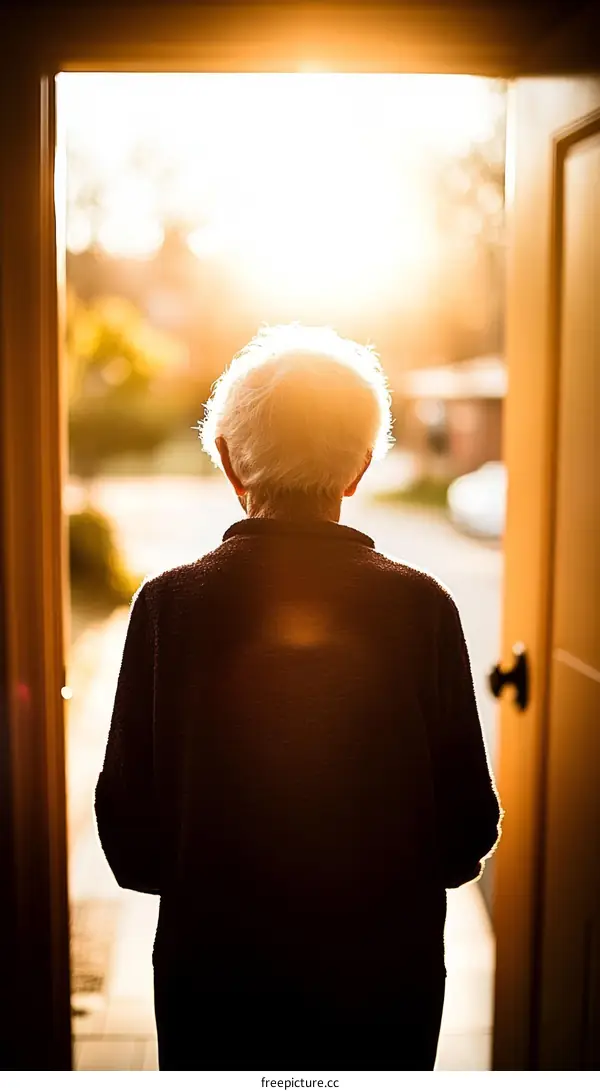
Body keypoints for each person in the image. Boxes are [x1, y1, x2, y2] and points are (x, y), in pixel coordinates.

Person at [95, 323, 502, 1072]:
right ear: (361, 467)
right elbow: (464, 833)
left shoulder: (168, 606)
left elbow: (131, 842)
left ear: (227, 460)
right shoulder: (423, 607)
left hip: (215, 977)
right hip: (385, 983)